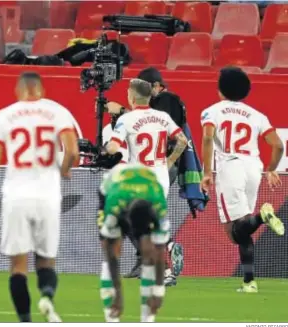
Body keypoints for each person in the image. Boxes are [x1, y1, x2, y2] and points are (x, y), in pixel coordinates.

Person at [0, 72, 79, 322]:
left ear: (18, 90)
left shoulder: (4, 115)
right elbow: (73, 151)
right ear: (41, 90)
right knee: (46, 261)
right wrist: (65, 170)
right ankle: (47, 296)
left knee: (18, 267)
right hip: (47, 196)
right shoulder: (58, 114)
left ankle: (25, 320)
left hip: (16, 196)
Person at [200, 67, 285, 293]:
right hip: (253, 168)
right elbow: (278, 145)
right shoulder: (257, 115)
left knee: (234, 232)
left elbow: (208, 139)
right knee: (243, 228)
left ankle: (262, 215)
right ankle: (249, 282)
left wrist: (207, 172)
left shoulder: (212, 112)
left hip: (230, 167)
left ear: (220, 89)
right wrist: (271, 169)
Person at [106, 67, 194, 284]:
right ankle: (167, 265)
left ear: (132, 96)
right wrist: (169, 161)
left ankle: (168, 251)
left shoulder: (126, 120)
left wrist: (108, 147)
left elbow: (112, 148)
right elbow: (183, 140)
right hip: (160, 176)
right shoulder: (162, 116)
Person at [98, 163, 169, 323]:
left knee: (148, 252)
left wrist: (159, 291)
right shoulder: (114, 203)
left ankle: (147, 319)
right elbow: (110, 254)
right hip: (110, 188)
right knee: (113, 248)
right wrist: (118, 293)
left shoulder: (159, 202)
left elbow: (158, 252)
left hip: (146, 186)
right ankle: (111, 317)